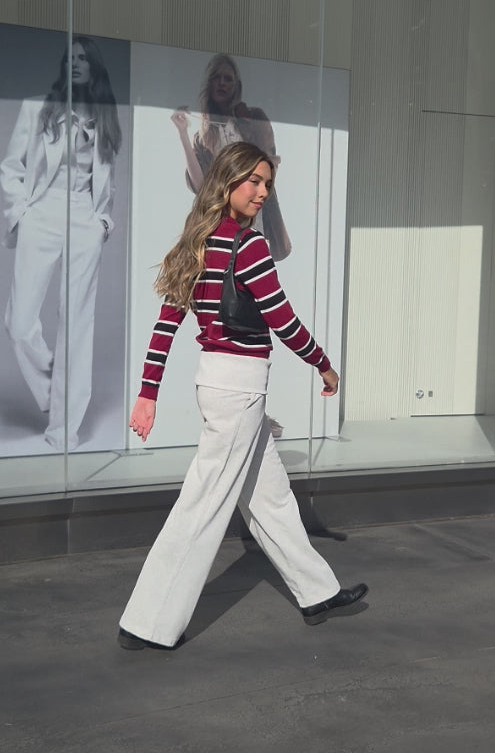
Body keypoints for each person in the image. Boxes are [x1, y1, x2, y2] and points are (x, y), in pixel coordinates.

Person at [118, 141, 368, 650]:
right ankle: (147, 621)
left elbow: (165, 327)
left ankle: (317, 592)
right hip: (238, 389)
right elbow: (283, 321)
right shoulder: (248, 247)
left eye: (267, 184)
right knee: (204, 504)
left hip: (220, 384)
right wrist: (323, 364)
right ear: (227, 181)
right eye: (252, 180)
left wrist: (149, 393)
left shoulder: (197, 242)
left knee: (270, 498)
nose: (261, 192)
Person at [0, 35, 121, 450]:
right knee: (19, 323)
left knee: (77, 323)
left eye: (83, 58)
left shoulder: (105, 116)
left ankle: (63, 430)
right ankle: (56, 392)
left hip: (84, 218)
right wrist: (20, 214)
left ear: (94, 67)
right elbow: (10, 166)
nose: (75, 63)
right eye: (70, 58)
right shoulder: (38, 107)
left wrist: (102, 221)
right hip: (43, 211)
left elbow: (106, 180)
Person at [171, 52, 291, 263]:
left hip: (252, 213)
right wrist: (183, 134)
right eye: (216, 77)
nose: (222, 83)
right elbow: (201, 186)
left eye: (228, 78)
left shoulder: (253, 119)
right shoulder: (203, 136)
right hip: (221, 220)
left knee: (253, 272)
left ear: (236, 84)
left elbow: (269, 167)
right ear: (209, 83)